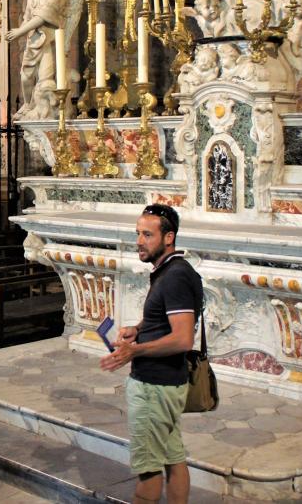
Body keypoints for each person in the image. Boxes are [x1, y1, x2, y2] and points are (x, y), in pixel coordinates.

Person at [100, 204, 202, 504]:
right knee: (174, 458)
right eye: (138, 234)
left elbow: (183, 338)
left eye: (147, 234)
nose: (139, 241)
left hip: (155, 387)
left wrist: (135, 350)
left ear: (168, 237)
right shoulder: (172, 270)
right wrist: (138, 329)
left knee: (148, 471)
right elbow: (165, 318)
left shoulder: (174, 276)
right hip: (166, 383)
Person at [5, 0, 69, 121]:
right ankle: (28, 105)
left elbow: (42, 17)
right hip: (33, 41)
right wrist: (20, 29)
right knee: (25, 76)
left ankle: (52, 110)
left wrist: (19, 32)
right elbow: (27, 18)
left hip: (50, 42)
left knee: (46, 80)